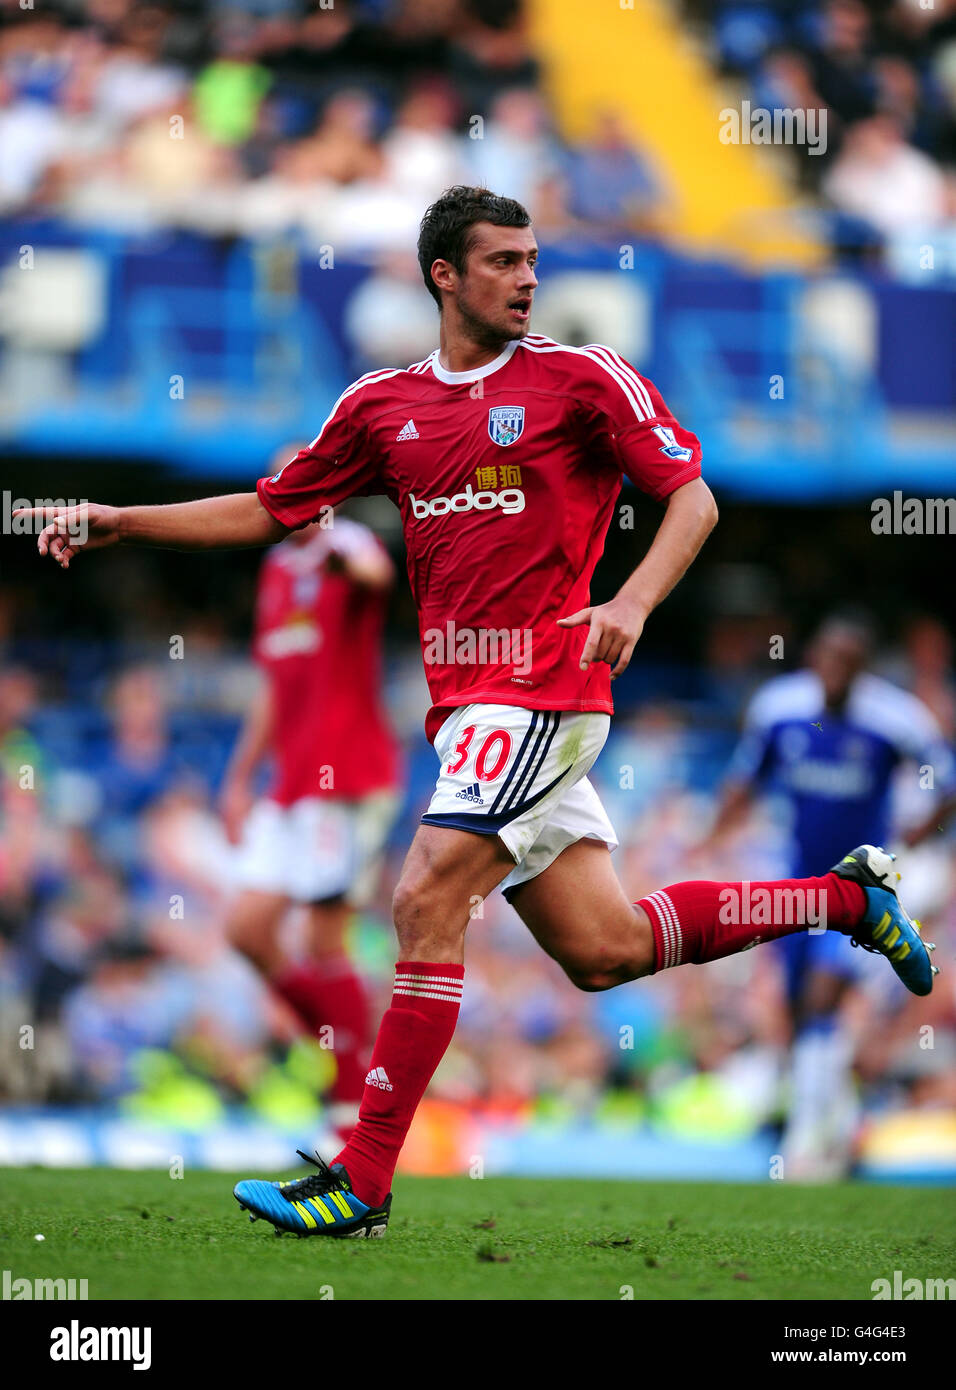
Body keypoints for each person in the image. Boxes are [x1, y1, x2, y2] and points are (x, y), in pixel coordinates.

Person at [19, 186, 937, 1241]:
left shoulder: (578, 378)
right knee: (605, 949)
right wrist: (120, 520)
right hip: (469, 714)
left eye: (532, 258)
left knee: (423, 896)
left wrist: (629, 601)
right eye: (501, 261)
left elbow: (693, 497)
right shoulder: (380, 407)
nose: (527, 277)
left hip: (544, 688)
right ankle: (841, 901)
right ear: (443, 276)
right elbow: (273, 507)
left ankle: (360, 1175)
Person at [701, 613, 955, 1176]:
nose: (835, 673)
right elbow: (746, 780)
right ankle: (837, 1129)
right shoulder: (780, 707)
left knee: (823, 997)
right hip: (795, 878)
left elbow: (946, 776)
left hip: (863, 882)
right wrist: (711, 840)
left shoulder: (894, 717)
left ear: (862, 668)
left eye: (848, 663)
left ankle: (803, 1146)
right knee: (796, 1008)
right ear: (814, 660)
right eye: (828, 660)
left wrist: (913, 838)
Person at [221, 506, 400, 1144]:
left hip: (347, 775)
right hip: (291, 781)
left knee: (328, 942)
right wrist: (240, 776)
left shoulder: (344, 546)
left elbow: (376, 574)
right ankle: (346, 1052)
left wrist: (347, 558)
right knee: (246, 930)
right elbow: (274, 685)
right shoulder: (275, 568)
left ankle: (350, 1112)